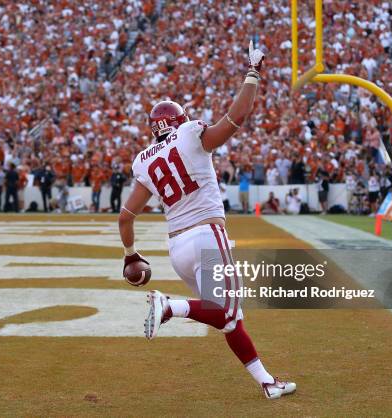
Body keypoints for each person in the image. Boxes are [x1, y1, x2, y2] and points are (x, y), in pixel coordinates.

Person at [117, 44, 295, 400]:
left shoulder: (144, 160)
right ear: (179, 120)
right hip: (207, 235)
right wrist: (253, 72)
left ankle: (266, 382)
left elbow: (126, 216)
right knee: (224, 309)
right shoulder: (190, 134)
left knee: (230, 318)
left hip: (177, 245)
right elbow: (236, 118)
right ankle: (170, 306)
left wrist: (131, 255)